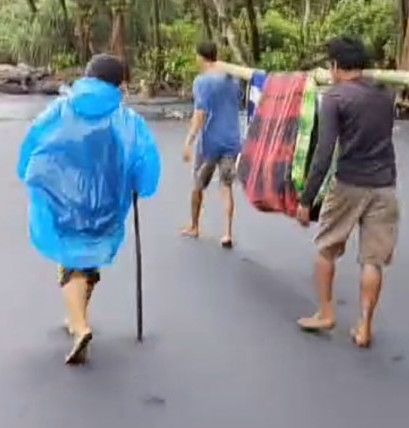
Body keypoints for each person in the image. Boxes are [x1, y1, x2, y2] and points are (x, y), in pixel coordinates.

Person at [17, 54, 161, 364]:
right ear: (118, 83)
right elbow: (143, 157)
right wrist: (142, 184)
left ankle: (80, 326)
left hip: (64, 198)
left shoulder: (62, 109)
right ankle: (77, 317)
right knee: (88, 260)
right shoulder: (126, 119)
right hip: (106, 202)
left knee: (70, 262)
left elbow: (35, 139)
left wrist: (27, 170)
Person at [296, 37, 400, 348]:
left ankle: (326, 313)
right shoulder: (386, 95)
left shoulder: (335, 98)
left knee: (327, 248)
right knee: (373, 260)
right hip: (385, 186)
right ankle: (365, 327)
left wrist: (306, 199)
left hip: (348, 185)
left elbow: (324, 152)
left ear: (335, 66)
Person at [181, 42, 242, 248]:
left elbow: (200, 114)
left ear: (200, 57)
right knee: (226, 186)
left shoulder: (202, 81)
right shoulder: (232, 80)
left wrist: (189, 141)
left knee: (198, 185)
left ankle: (194, 226)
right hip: (232, 140)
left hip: (210, 143)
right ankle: (227, 233)